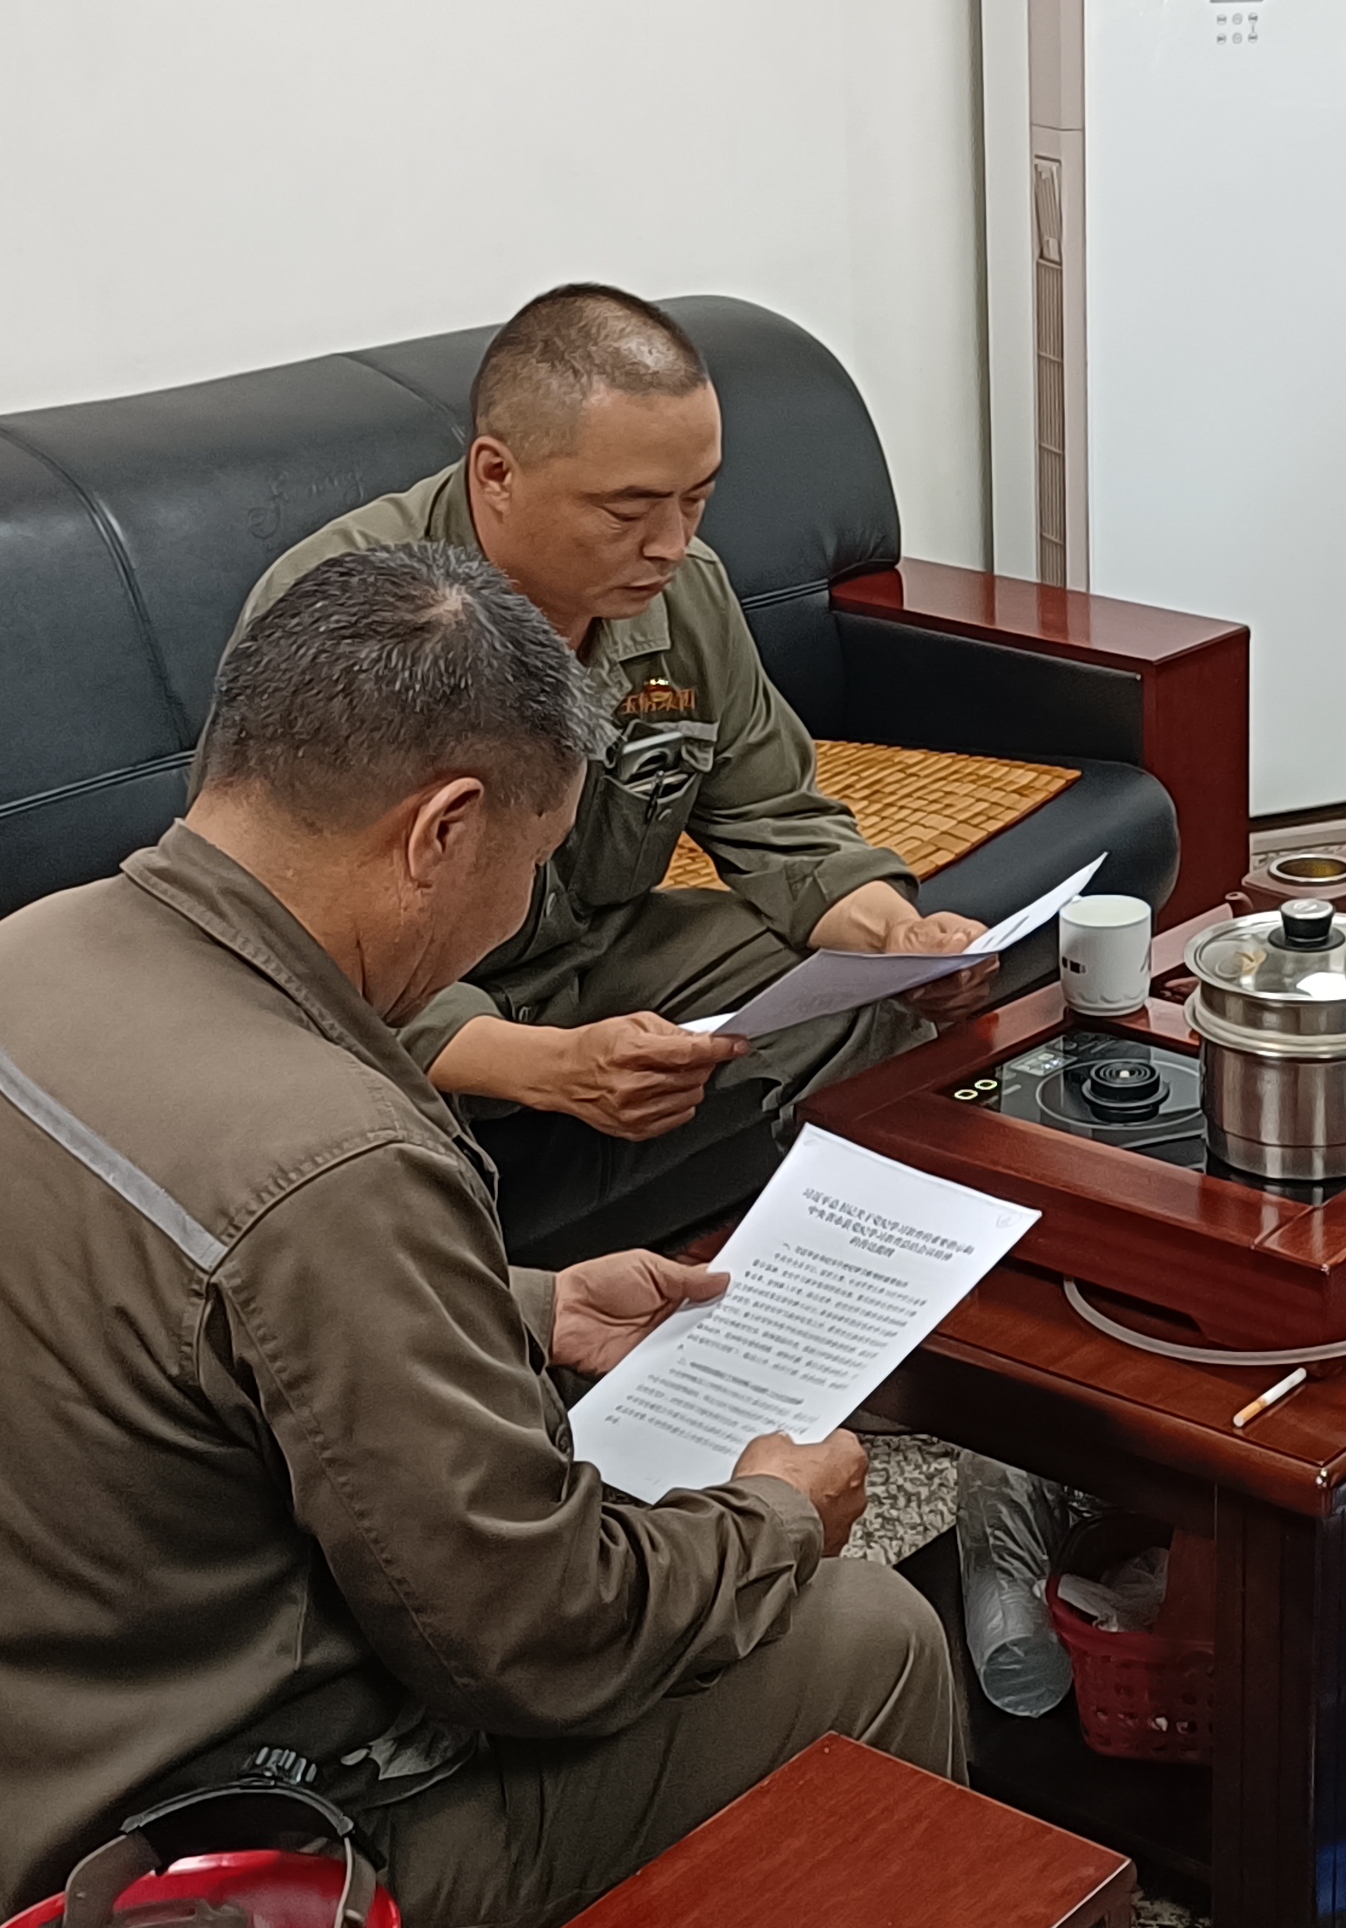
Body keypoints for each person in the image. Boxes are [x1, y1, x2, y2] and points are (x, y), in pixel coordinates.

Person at [0, 543, 960, 1928]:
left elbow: (182, 1296)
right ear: (443, 831)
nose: (517, 912)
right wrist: (776, 1520)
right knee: (862, 1632)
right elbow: (538, 1642)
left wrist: (532, 1305)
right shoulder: (338, 1155)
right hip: (169, 1885)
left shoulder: (11, 965)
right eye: (532, 868)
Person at [238, 281, 992, 1251]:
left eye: (698, 498)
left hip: (595, 957)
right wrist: (546, 1067)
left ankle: (845, 1281)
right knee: (359, 1132)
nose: (673, 545)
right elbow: (300, 941)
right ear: (497, 473)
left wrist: (899, 940)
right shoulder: (344, 615)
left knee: (858, 996)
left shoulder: (685, 592)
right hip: (393, 1002)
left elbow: (773, 816)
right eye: (628, 509)